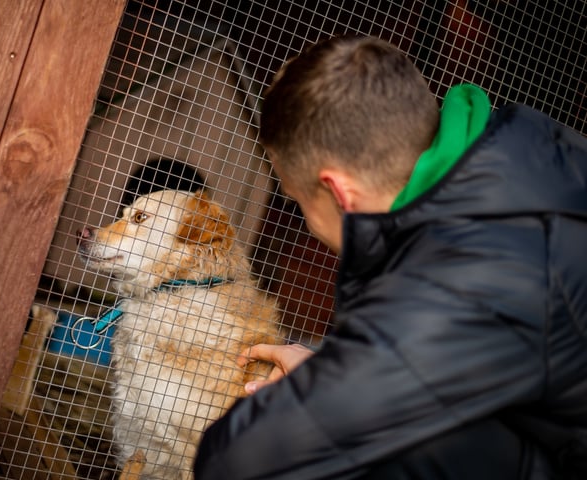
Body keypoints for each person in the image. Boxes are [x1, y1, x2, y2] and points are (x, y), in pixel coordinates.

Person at [193, 34, 587, 479]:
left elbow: (238, 461)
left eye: (297, 200)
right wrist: (335, 379)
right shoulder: (539, 152)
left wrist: (328, 392)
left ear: (339, 192)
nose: (306, 220)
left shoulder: (453, 282)